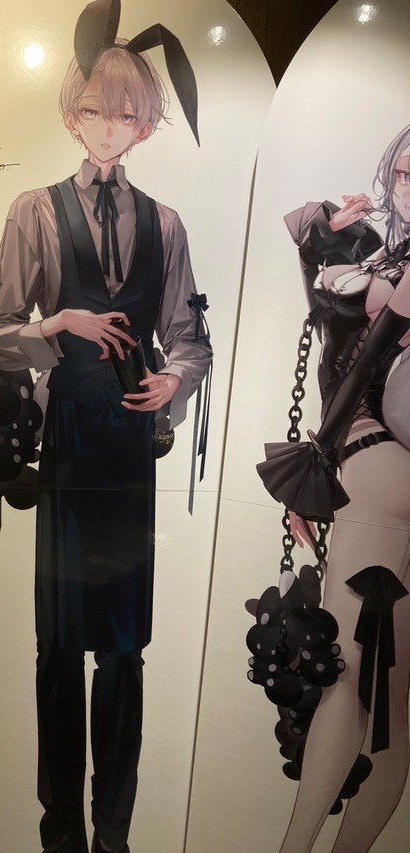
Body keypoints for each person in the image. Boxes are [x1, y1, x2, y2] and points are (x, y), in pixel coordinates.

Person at [0, 2, 212, 851]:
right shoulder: (34, 213)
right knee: (58, 646)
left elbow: (192, 339)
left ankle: (114, 826)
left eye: (126, 114)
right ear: (72, 114)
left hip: (129, 454)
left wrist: (172, 379)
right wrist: (57, 325)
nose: (109, 126)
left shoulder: (167, 225)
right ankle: (60, 827)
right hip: (68, 447)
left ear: (145, 124)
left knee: (124, 649)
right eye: (94, 110)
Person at [257, 123, 410, 853]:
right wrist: (337, 226)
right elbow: (308, 244)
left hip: (377, 466)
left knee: (353, 683)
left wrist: (315, 470)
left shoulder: (395, 270)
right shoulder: (384, 253)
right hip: (379, 471)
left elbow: (357, 374)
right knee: (391, 698)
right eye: (406, 173)